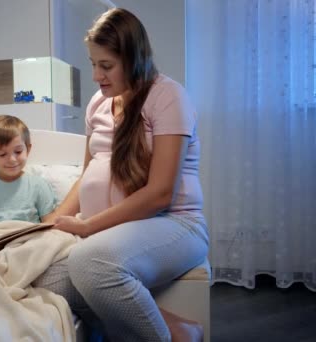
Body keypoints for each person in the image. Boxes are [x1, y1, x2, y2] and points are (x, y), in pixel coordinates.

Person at [34, 8, 209, 342]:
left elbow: (160, 194)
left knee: (89, 262)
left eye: (106, 65)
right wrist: (52, 223)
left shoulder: (167, 97)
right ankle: (177, 330)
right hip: (108, 234)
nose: (96, 75)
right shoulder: (98, 105)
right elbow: (87, 176)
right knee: (45, 278)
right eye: (93, 63)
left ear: (133, 59)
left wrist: (86, 227)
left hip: (176, 225)